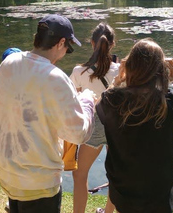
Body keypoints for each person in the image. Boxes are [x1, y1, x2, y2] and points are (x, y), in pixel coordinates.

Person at [0, 14, 95, 213]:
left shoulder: (8, 63)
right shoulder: (57, 78)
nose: (64, 55)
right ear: (61, 43)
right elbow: (78, 134)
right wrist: (86, 102)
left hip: (8, 171)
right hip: (39, 182)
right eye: (67, 49)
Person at [97, 38, 173, 213]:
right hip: (158, 192)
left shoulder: (113, 99)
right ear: (162, 70)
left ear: (130, 66)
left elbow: (99, 103)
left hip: (124, 189)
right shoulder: (170, 101)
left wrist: (117, 81)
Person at [69, 23, 118, 213]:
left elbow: (71, 100)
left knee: (80, 175)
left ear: (91, 43)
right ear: (112, 45)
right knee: (115, 175)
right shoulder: (122, 71)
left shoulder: (78, 72)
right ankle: (108, 212)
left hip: (93, 124)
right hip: (117, 126)